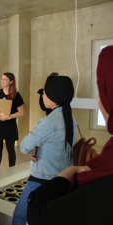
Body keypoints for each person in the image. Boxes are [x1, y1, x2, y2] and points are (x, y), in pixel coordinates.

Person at [27, 46, 113, 225]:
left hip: (43, 176)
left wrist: (71, 171)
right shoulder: (70, 118)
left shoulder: (48, 122)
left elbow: (40, 213)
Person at [12, 75, 77, 225]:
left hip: (42, 180)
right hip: (63, 179)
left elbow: (23, 146)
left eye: (45, 92)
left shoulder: (48, 122)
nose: (42, 95)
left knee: (20, 216)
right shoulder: (71, 119)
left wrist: (32, 148)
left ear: (53, 98)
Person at [0, 72, 24, 171]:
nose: (2, 81)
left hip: (10, 125)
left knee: (11, 150)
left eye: (5, 79)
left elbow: (21, 112)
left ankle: (11, 171)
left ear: (11, 81)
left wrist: (8, 116)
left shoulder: (16, 95)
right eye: (2, 79)